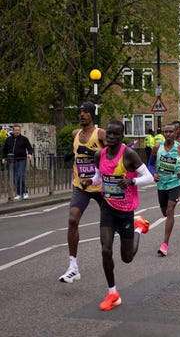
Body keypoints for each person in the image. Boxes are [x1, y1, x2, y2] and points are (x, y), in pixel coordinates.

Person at [81, 120, 153, 311]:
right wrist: (91, 181)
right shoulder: (99, 155)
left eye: (116, 134)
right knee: (105, 249)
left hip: (126, 210)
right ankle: (112, 292)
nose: (111, 137)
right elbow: (99, 176)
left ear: (122, 137)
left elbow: (149, 177)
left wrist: (131, 182)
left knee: (127, 258)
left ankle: (138, 227)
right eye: (109, 134)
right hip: (108, 207)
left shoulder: (128, 154)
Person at [59, 102, 107, 283]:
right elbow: (78, 152)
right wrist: (72, 156)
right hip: (81, 185)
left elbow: (111, 153)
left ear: (92, 115)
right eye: (79, 112)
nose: (81, 115)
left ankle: (133, 228)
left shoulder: (100, 134)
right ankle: (73, 267)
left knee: (113, 223)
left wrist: (89, 150)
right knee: (72, 219)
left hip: (101, 185)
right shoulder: (75, 134)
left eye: (85, 112)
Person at [148, 123, 180, 256]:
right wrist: (153, 173)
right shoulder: (156, 148)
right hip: (161, 184)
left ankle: (164, 244)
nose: (168, 134)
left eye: (170, 132)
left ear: (175, 133)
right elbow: (149, 164)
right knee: (165, 212)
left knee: (170, 209)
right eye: (165, 132)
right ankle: (170, 221)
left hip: (175, 183)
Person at [2, 124, 33, 200]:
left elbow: (29, 148)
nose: (17, 131)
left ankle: (25, 192)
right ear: (13, 131)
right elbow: (4, 150)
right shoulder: (8, 139)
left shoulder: (24, 139)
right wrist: (3, 158)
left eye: (18, 130)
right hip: (12, 161)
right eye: (15, 130)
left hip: (22, 160)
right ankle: (18, 193)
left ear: (20, 131)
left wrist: (29, 154)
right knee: (15, 178)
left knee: (20, 176)